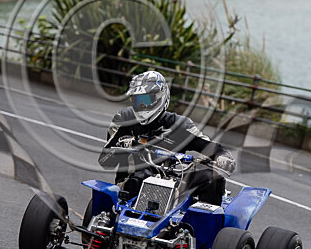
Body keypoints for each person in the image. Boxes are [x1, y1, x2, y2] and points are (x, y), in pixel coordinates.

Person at [99, 71, 235, 205]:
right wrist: (123, 145)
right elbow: (105, 161)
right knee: (143, 174)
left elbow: (207, 146)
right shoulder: (125, 118)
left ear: (160, 97)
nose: (141, 105)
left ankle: (204, 223)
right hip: (130, 183)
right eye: (137, 100)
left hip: (174, 184)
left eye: (146, 100)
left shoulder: (179, 124)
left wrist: (222, 156)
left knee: (211, 178)